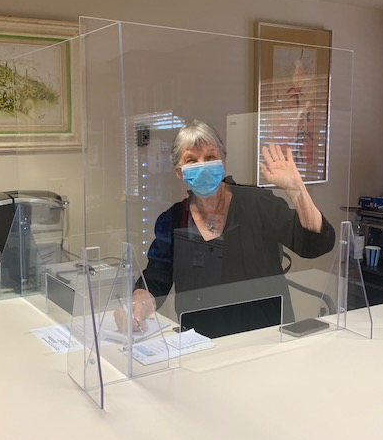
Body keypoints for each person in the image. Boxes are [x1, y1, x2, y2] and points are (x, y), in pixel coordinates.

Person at [116, 119, 335, 338]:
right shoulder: (173, 219)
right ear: (179, 172)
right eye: (191, 160)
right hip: (199, 340)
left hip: (265, 335)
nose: (202, 166)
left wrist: (296, 188)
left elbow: (315, 244)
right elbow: (156, 279)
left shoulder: (257, 203)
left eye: (210, 157)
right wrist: (136, 306)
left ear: (223, 162)